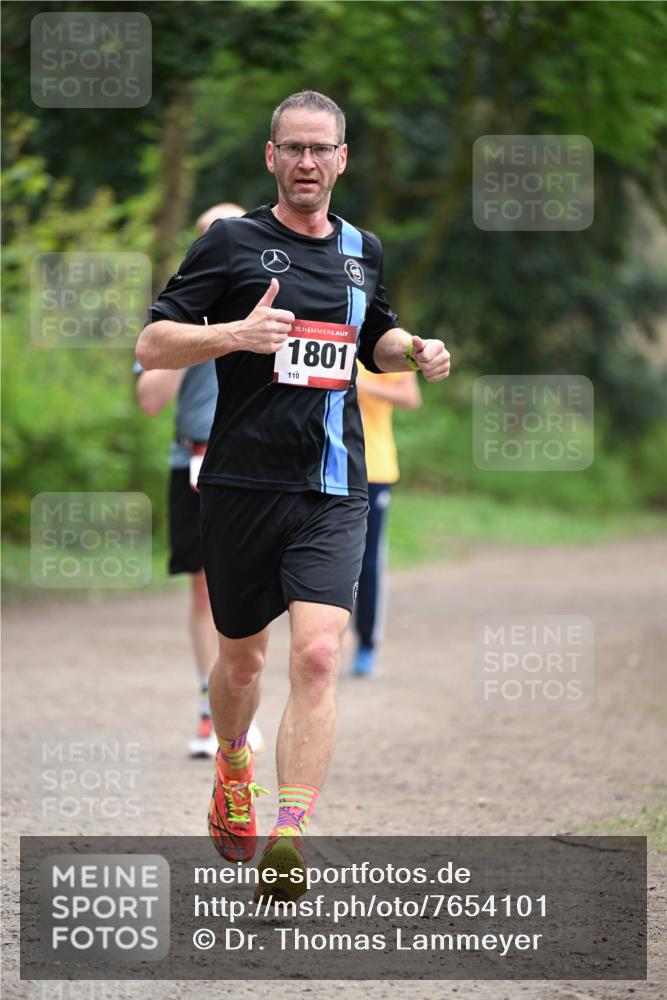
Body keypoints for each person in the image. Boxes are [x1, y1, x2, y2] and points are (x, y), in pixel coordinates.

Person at [136, 90, 451, 898]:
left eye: (321, 149)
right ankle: (233, 765)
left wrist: (407, 346)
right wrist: (232, 334)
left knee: (316, 655)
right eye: (292, 149)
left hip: (332, 482)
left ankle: (290, 832)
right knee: (241, 662)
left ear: (342, 159)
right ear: (271, 158)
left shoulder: (360, 249)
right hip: (241, 482)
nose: (306, 163)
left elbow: (370, 332)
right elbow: (153, 339)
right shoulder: (231, 242)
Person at [135, 203, 264, 759]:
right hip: (193, 459)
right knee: (205, 588)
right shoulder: (176, 315)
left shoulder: (271, 306)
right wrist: (202, 335)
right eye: (211, 236)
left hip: (259, 464)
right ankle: (210, 709)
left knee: (254, 590)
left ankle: (243, 699)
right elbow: (150, 400)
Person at [351, 364, 421, 677]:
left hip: (373, 468)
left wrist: (360, 383)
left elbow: (410, 397)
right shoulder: (324, 326)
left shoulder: (389, 339)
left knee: (368, 561)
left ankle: (366, 643)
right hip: (326, 467)